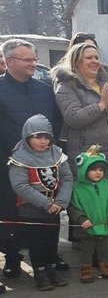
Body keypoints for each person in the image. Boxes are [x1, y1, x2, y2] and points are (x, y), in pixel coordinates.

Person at [53, 42, 108, 263]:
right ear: (76, 61)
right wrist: (102, 105)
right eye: (89, 57)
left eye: (96, 57)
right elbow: (74, 118)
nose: (94, 61)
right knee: (92, 203)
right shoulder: (66, 87)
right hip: (89, 155)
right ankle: (93, 251)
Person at [0, 39, 62, 280]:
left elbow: (55, 123)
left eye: (34, 59)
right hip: (9, 164)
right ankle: (13, 256)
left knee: (45, 211)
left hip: (44, 164)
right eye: (28, 60)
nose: (34, 64)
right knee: (10, 212)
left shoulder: (44, 89)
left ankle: (48, 258)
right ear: (10, 61)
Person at [8, 115, 73, 290]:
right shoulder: (20, 158)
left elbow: (67, 178)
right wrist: (45, 203)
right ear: (28, 136)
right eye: (37, 137)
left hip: (55, 207)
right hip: (32, 208)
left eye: (46, 137)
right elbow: (20, 186)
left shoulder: (57, 154)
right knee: (37, 243)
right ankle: (40, 272)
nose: (43, 141)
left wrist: (61, 202)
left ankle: (52, 269)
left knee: (52, 241)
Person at [68, 146, 108, 283]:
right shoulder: (77, 188)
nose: (98, 173)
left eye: (101, 170)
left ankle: (105, 266)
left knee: (104, 248)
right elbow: (73, 207)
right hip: (86, 227)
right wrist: (81, 218)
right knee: (87, 249)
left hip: (105, 225)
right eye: (93, 169)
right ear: (84, 170)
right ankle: (86, 269)